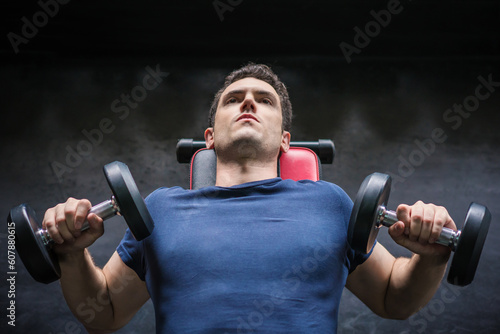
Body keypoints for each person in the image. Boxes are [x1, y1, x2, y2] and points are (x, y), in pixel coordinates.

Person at [43, 63, 456, 333]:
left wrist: (432, 255)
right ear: (209, 138)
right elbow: (105, 312)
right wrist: (71, 254)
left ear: (284, 141)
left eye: (264, 100)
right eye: (233, 99)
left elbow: (393, 298)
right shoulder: (158, 210)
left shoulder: (330, 203)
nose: (247, 102)